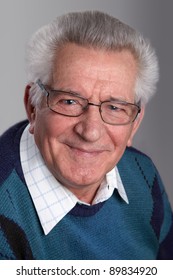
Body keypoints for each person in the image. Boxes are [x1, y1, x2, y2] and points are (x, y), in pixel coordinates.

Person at [0, 10, 172, 260]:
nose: (90, 132)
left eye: (115, 108)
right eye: (69, 101)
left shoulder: (142, 174)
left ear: (134, 123)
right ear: (33, 107)